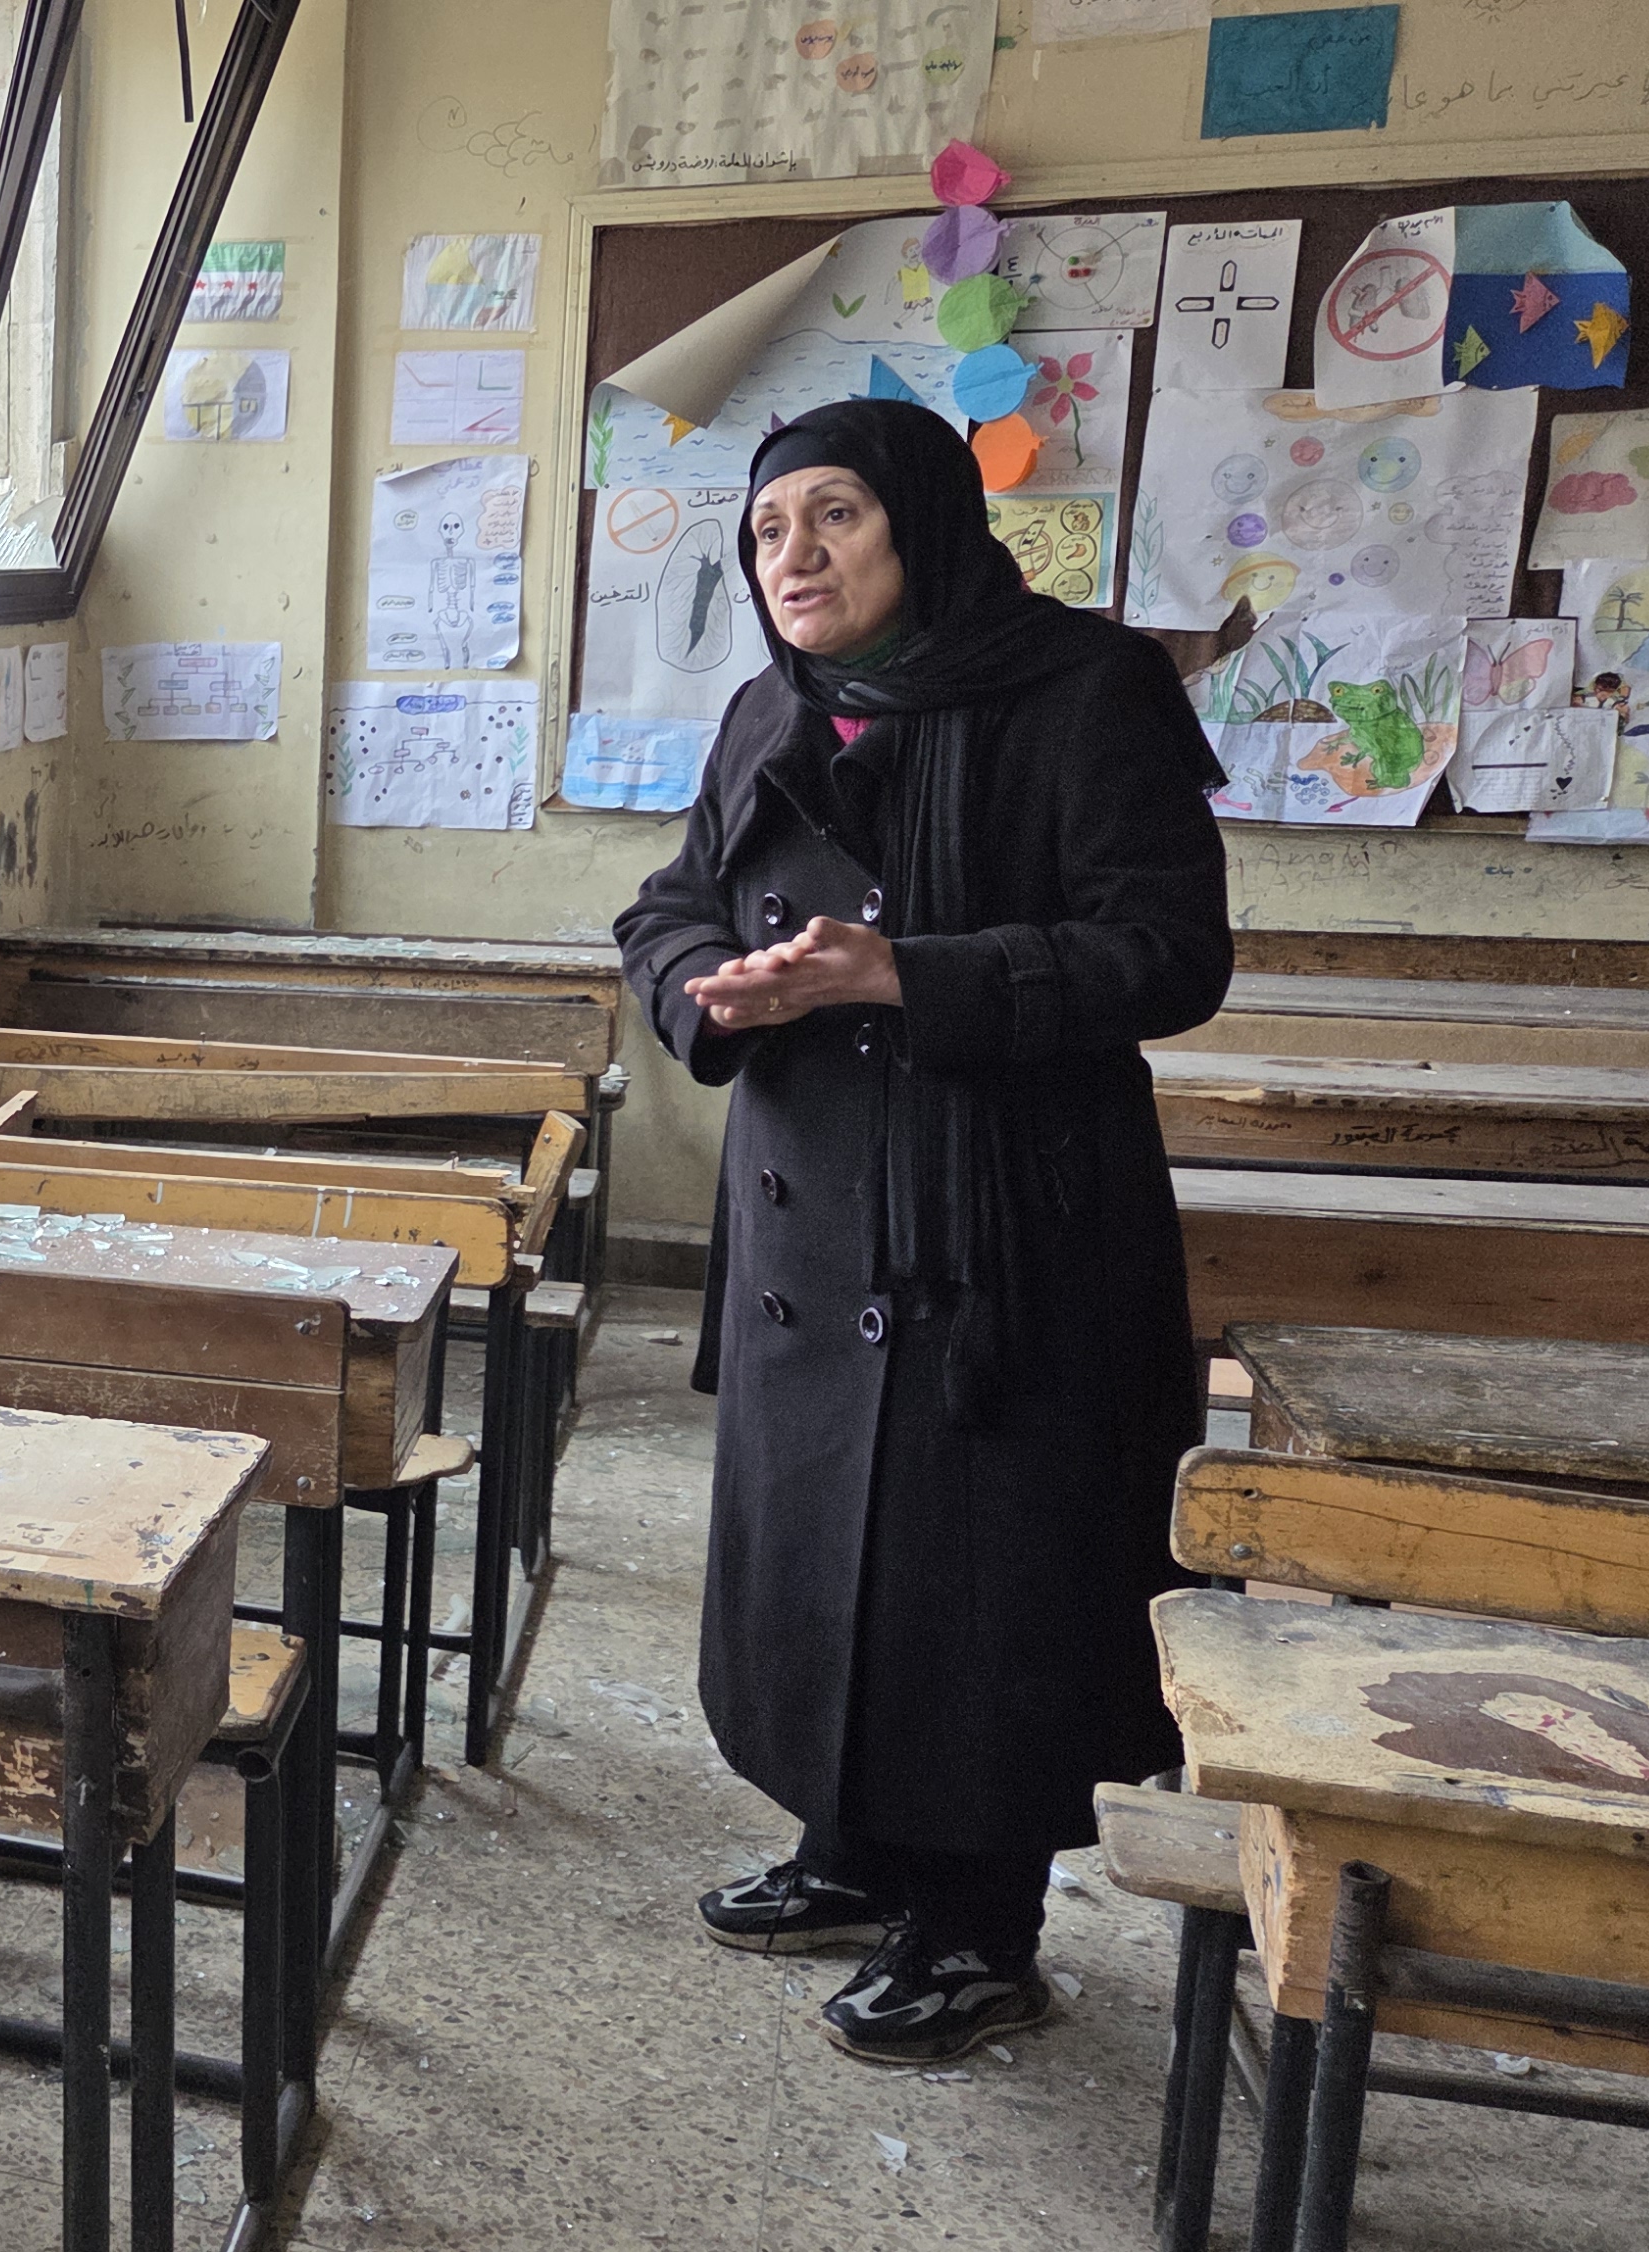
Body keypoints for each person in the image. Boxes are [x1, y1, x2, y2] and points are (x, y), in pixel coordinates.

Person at [613, 399, 1233, 2066]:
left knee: (989, 1578)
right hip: (812, 1221)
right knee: (822, 1551)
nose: (794, 558)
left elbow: (1169, 954)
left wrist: (909, 972)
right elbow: (667, 903)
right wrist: (707, 991)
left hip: (1008, 1215)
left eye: (835, 519)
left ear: (929, 527)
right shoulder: (772, 706)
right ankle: (851, 1847)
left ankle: (978, 1927)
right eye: (766, 532)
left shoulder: (1085, 691)